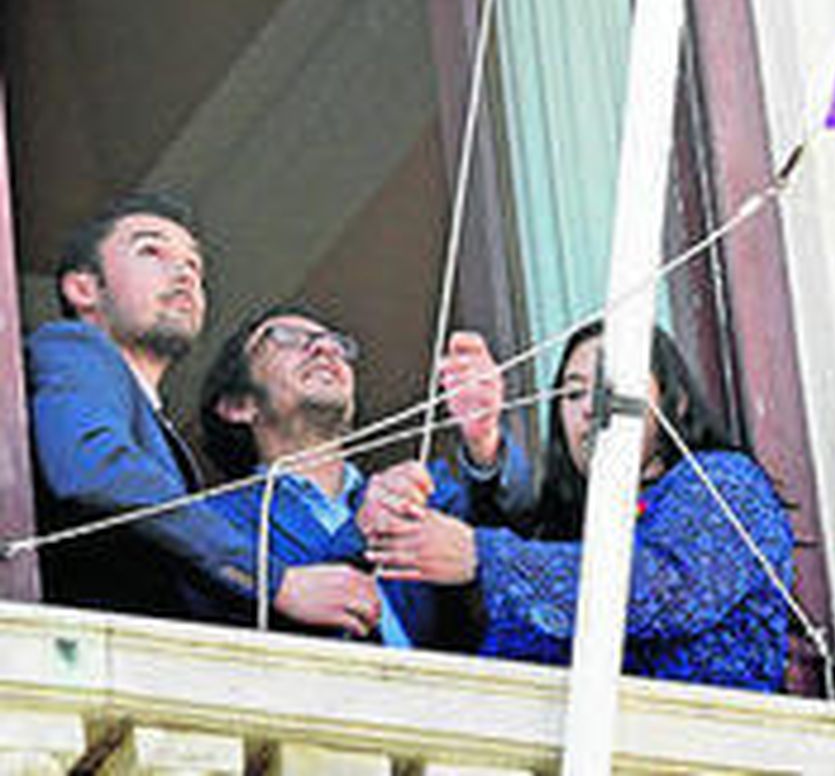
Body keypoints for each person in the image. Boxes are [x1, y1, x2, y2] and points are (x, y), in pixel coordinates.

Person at [363, 320, 794, 691]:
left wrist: (484, 555)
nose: (590, 409)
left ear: (674, 400)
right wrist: (480, 444)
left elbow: (668, 589)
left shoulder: (722, 481)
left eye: (612, 387)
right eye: (572, 395)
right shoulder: (574, 532)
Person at [26, 193, 377, 630]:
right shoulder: (74, 347)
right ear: (84, 289)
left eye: (194, 265)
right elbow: (92, 463)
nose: (183, 273)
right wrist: (276, 583)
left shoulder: (153, 427)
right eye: (151, 251)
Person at [198, 309, 533, 647]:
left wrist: (484, 442)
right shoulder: (213, 522)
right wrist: (357, 535)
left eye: (335, 344)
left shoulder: (421, 496)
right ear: (238, 405)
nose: (325, 349)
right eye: (287, 338)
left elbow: (510, 540)